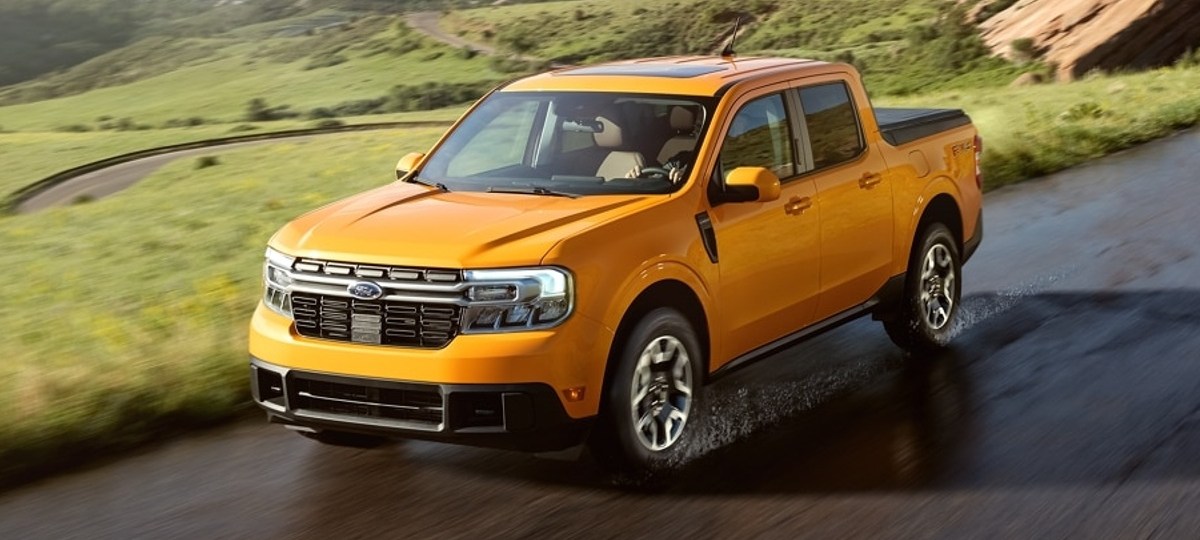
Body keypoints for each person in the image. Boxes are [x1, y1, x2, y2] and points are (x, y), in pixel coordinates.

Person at [625, 150, 695, 184]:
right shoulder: (682, 158)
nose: (698, 131)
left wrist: (688, 180)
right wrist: (639, 178)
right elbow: (660, 175)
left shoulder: (704, 163)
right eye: (697, 127)